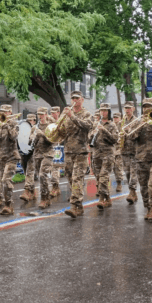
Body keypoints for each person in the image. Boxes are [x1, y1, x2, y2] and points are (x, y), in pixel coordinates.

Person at [126, 98, 152, 222]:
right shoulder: (138, 121)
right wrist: (140, 125)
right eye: (145, 107)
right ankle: (148, 207)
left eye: (149, 106)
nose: (147, 109)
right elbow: (131, 137)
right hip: (141, 159)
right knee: (143, 187)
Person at [63, 90, 92, 218]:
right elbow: (62, 131)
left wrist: (72, 116)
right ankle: (79, 205)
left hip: (81, 151)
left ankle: (74, 206)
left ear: (82, 100)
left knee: (77, 178)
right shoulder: (66, 115)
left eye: (77, 98)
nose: (74, 100)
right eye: (72, 98)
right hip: (68, 151)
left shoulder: (86, 114)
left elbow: (87, 126)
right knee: (70, 178)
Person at [0, 104, 21, 215]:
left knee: (6, 180)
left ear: (10, 113)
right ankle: (0, 199)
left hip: (11, 156)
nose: (3, 114)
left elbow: (13, 137)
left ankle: (8, 205)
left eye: (5, 112)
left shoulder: (15, 124)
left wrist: (7, 125)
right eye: (1, 111)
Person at [88, 103, 118, 209]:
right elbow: (88, 139)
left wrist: (104, 130)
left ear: (108, 112)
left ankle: (101, 199)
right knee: (98, 178)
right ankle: (108, 197)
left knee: (103, 178)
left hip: (108, 155)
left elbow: (115, 139)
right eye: (101, 110)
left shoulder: (112, 125)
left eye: (105, 110)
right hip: (96, 154)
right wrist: (93, 133)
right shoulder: (95, 123)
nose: (103, 112)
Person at [29, 107, 55, 209]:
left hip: (47, 153)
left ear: (46, 114)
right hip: (37, 154)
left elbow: (52, 141)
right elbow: (29, 143)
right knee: (40, 177)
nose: (40, 116)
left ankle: (44, 198)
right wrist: (32, 138)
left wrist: (42, 135)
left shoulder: (51, 126)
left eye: (42, 114)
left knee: (42, 175)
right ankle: (46, 197)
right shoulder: (34, 127)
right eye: (39, 114)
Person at [120, 101, 139, 204]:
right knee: (127, 173)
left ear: (133, 109)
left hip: (134, 151)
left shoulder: (137, 121)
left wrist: (129, 130)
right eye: (126, 108)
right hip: (124, 150)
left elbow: (137, 135)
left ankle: (131, 192)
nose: (127, 110)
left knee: (133, 173)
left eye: (129, 108)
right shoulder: (122, 121)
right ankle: (133, 192)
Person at [20, 113, 39, 202]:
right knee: (25, 171)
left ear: (35, 121)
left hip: (33, 153)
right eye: (29, 120)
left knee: (29, 172)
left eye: (32, 120)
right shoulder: (23, 129)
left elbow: (33, 139)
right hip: (24, 153)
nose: (30, 122)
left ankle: (27, 191)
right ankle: (32, 191)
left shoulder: (36, 129)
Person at [49, 106, 62, 198]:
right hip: (48, 148)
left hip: (57, 147)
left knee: (55, 168)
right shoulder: (49, 121)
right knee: (50, 169)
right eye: (51, 112)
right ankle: (55, 186)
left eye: (54, 112)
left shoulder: (61, 120)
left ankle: (55, 187)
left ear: (58, 112)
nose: (52, 114)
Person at [113, 112, 124, 192]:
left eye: (117, 117)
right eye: (114, 117)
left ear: (120, 118)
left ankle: (119, 183)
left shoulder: (122, 125)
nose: (115, 119)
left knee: (117, 166)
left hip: (119, 149)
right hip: (111, 149)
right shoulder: (111, 125)